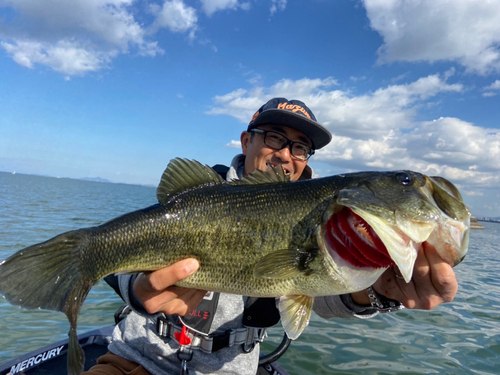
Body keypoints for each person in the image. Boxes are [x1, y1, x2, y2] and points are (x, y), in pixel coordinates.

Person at [85, 98, 458, 375]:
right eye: (275, 138)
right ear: (247, 141)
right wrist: (138, 290)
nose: (284, 155)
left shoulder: (330, 221)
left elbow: (320, 290)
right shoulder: (197, 199)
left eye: (299, 147)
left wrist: (379, 292)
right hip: (133, 361)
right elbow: (117, 252)